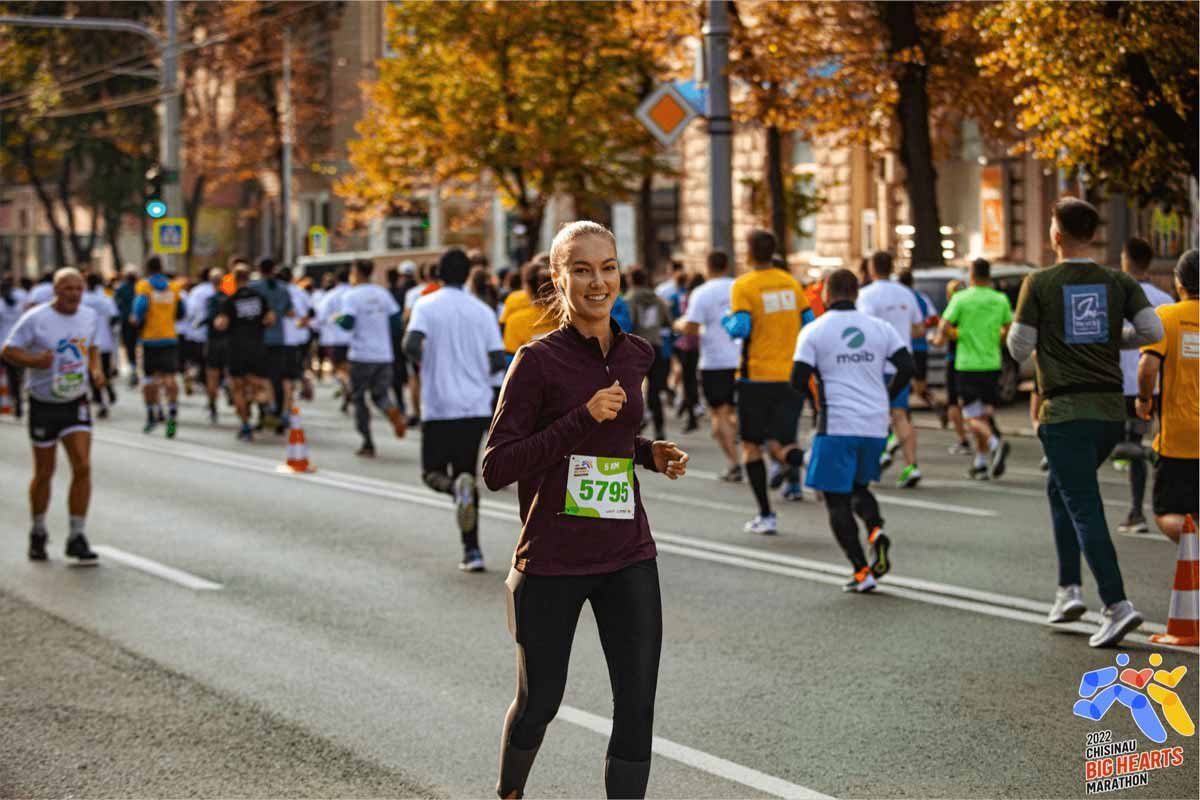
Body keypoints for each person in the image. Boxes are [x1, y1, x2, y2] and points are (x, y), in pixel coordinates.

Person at [483, 221, 688, 800]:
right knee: (540, 702)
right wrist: (581, 417)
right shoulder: (537, 362)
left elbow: (614, 442)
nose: (598, 281)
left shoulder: (637, 354)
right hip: (551, 560)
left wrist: (648, 453)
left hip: (627, 553)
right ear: (558, 278)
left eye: (608, 267)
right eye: (581, 269)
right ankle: (509, 793)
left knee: (637, 705)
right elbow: (498, 467)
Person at [1007, 197, 1163, 648]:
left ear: (1055, 235)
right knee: (1060, 489)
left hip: (1064, 413)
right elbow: (1152, 333)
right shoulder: (1118, 281)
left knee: (1083, 505)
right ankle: (1067, 591)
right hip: (1110, 412)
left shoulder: (1038, 283)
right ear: (1094, 235)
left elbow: (1020, 349)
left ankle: (1116, 605)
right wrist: (1113, 335)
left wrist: (1046, 341)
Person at [792, 268, 913, 592]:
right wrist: (886, 396)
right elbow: (907, 366)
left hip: (836, 424)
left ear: (827, 295)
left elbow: (796, 376)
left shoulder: (814, 330)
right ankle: (875, 531)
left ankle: (862, 572)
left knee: (836, 500)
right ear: (857, 293)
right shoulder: (880, 328)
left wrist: (814, 398)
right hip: (874, 424)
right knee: (859, 488)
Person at [403, 248, 504, 571]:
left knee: (431, 472)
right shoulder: (483, 311)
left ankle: (452, 488)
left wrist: (426, 362)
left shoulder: (426, 305)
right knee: (467, 474)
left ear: (437, 274)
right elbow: (498, 360)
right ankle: (472, 551)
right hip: (475, 405)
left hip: (439, 403)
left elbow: (410, 344)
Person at [2, 268, 104, 564]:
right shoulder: (36, 319)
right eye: (68, 288)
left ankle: (76, 535)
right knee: (45, 472)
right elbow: (8, 351)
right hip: (43, 403)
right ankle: (38, 529)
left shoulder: (88, 316)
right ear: (56, 291)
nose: (74, 294)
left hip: (75, 400)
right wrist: (35, 360)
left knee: (82, 466)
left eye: (78, 288)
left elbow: (92, 347)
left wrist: (95, 370)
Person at [724, 229, 814, 533]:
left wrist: (727, 320)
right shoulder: (791, 283)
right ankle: (805, 459)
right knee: (782, 444)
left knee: (751, 446)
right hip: (790, 376)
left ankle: (766, 514)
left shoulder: (745, 285)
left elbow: (741, 328)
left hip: (756, 377)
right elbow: (808, 323)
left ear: (749, 253)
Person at [1136, 249, 1198, 543]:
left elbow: (1148, 368)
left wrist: (1144, 400)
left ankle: (1196, 545)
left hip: (1179, 440)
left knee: (1166, 512)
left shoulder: (1168, 316)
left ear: (1179, 283)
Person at [1114, 237, 1174, 533]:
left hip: (1126, 386)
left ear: (1125, 259)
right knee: (1155, 441)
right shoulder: (1166, 300)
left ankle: (1137, 511)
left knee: (1126, 447)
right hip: (1159, 384)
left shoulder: (1117, 296)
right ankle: (1169, 505)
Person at [936, 258, 1013, 480]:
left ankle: (994, 443)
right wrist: (996, 339)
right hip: (992, 363)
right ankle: (980, 463)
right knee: (984, 414)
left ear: (971, 275)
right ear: (989, 276)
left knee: (970, 415)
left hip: (967, 364)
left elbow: (944, 326)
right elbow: (1008, 327)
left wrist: (956, 335)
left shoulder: (961, 298)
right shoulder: (1000, 299)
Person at [857, 251, 924, 488]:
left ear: (872, 269)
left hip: (875, 364)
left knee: (872, 417)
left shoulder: (865, 295)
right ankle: (912, 466)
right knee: (900, 415)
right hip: (902, 364)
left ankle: (872, 465)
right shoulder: (906, 293)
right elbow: (919, 329)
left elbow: (864, 330)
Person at [677, 250, 743, 481]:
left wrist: (678, 325)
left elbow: (692, 328)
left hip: (714, 361)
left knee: (718, 415)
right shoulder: (740, 286)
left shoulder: (702, 293)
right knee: (733, 411)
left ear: (708, 266)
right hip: (742, 359)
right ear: (728, 265)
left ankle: (734, 462)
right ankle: (747, 452)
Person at [338, 259, 406, 457]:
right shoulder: (382, 293)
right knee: (380, 394)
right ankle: (391, 410)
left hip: (361, 355)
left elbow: (348, 323)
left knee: (359, 398)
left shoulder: (351, 296)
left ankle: (367, 441)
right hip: (383, 355)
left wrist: (337, 319)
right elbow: (396, 321)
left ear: (357, 272)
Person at [213, 266, 275, 441]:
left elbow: (222, 324)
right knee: (261, 382)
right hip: (257, 346)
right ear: (249, 278)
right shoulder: (259, 298)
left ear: (233, 278)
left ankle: (246, 426)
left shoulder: (229, 300)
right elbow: (271, 319)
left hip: (236, 348)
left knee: (238, 389)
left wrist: (219, 323)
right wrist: (258, 325)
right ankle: (264, 402)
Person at [131, 256, 184, 437]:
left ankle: (151, 414)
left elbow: (139, 310)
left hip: (150, 340)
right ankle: (172, 414)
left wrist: (136, 320)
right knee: (170, 379)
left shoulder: (144, 287)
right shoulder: (174, 287)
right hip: (169, 338)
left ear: (147, 268)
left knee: (148, 380)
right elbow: (181, 311)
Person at [625, 266, 674, 442]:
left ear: (630, 280)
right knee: (655, 392)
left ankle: (635, 430)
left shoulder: (629, 299)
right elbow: (668, 321)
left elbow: (628, 322)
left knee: (634, 391)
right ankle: (660, 429)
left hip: (636, 347)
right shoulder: (658, 299)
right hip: (656, 346)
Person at [250, 258, 293, 431]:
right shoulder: (283, 289)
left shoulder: (254, 288)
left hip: (258, 339)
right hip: (279, 338)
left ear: (259, 269)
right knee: (277, 378)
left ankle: (263, 413)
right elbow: (290, 311)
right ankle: (279, 415)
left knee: (259, 378)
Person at [186, 267, 224, 423]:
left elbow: (192, 311)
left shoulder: (199, 293)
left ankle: (212, 404)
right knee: (229, 374)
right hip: (228, 342)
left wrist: (196, 324)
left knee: (211, 373)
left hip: (207, 339)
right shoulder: (228, 296)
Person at [896, 269, 938, 412]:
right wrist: (922, 325)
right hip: (920, 348)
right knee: (920, 388)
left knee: (901, 385)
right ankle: (935, 404)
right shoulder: (921, 298)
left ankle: (904, 413)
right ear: (912, 282)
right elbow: (934, 319)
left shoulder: (898, 299)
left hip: (901, 349)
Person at [81, 273, 119, 418]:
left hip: (88, 342)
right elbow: (114, 318)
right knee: (105, 371)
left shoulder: (82, 299)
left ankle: (101, 401)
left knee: (92, 373)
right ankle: (109, 392)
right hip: (105, 341)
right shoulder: (106, 298)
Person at [316, 268, 353, 411]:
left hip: (335, 338)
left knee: (339, 368)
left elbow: (322, 317)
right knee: (350, 367)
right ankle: (350, 386)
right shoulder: (354, 293)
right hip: (354, 339)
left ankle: (346, 386)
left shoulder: (331, 296)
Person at [278, 266, 311, 422]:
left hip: (275, 341)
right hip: (295, 340)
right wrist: (300, 324)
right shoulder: (299, 292)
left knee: (278, 378)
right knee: (289, 378)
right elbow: (310, 313)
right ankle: (287, 407)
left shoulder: (275, 292)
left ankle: (279, 408)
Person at [674, 272, 704, 433]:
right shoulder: (704, 296)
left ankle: (691, 413)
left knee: (689, 381)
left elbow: (686, 319)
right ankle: (691, 408)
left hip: (688, 345)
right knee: (693, 381)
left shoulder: (688, 297)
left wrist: (677, 325)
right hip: (703, 344)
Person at [1, 274, 30, 417]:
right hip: (18, 345)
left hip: (3, 345)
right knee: (16, 376)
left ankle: (12, 401)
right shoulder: (19, 304)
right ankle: (17, 401)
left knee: (9, 377)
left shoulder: (0, 305)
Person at [112, 269, 139, 386]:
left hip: (126, 321)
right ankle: (137, 367)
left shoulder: (121, 289)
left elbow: (115, 304)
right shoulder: (140, 288)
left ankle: (133, 367)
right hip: (140, 321)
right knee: (139, 345)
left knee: (129, 345)